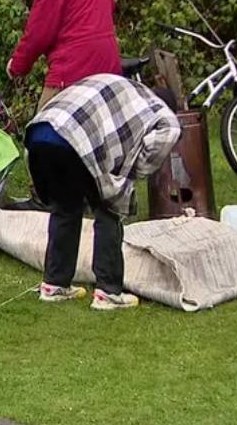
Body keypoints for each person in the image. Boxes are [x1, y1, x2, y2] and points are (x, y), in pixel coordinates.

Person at [25, 73, 180, 310]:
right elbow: (169, 133)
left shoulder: (126, 89)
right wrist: (135, 170)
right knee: (109, 207)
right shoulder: (160, 111)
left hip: (39, 133)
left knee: (66, 208)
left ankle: (54, 285)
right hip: (76, 139)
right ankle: (108, 292)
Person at [7, 0, 122, 110]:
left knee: (43, 127)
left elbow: (38, 35)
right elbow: (110, 5)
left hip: (73, 69)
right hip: (109, 66)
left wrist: (17, 66)